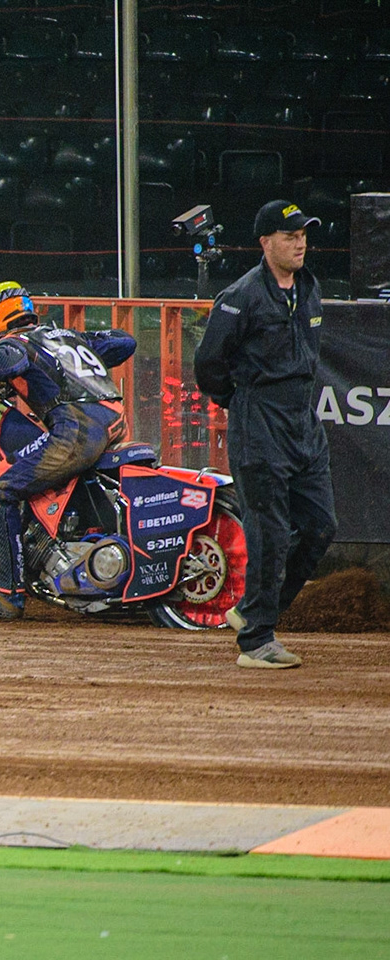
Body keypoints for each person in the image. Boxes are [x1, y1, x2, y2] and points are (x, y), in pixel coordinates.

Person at [0, 282, 137, 619]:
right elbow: (125, 342)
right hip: (113, 422)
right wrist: (79, 344)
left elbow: (7, 363)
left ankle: (4, 593)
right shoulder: (60, 338)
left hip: (77, 429)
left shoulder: (16, 343)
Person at [194, 201, 334, 669]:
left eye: (304, 235)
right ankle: (256, 641)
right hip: (260, 423)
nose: (300, 242)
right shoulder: (241, 295)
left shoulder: (310, 288)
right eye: (290, 235)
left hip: (303, 424)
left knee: (319, 527)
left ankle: (255, 611)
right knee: (270, 532)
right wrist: (239, 402)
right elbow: (209, 364)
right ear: (265, 242)